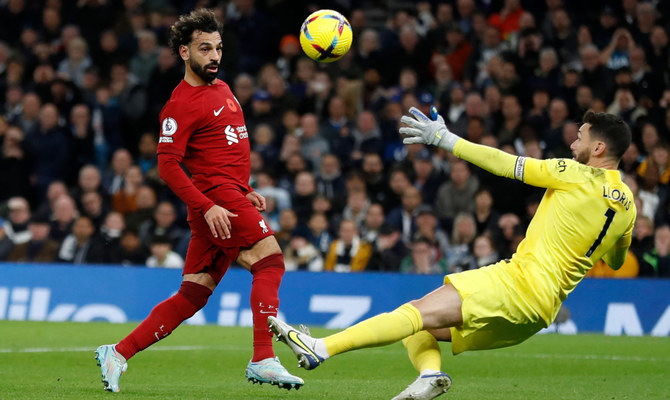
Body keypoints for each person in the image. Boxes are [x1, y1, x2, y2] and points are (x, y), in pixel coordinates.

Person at [268, 109, 635, 400]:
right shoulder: (629, 208)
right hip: (539, 314)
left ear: (598, 149)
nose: (572, 143)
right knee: (419, 325)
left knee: (412, 313)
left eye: (580, 137)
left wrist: (445, 139)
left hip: (517, 283)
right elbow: (616, 260)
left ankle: (318, 347)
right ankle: (429, 376)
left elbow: (506, 164)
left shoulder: (574, 173)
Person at [94, 9, 303, 393]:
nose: (215, 56)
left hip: (228, 196)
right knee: (270, 261)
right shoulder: (180, 104)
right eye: (205, 48)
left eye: (218, 48)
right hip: (216, 201)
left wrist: (244, 188)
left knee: (194, 293)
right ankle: (263, 358)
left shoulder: (222, 88)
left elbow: (223, 150)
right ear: (184, 52)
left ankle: (118, 352)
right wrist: (208, 205)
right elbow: (167, 165)